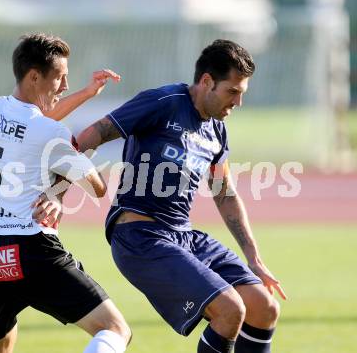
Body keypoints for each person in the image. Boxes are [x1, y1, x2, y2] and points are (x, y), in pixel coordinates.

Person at [64, 39, 286, 353]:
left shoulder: (217, 129)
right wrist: (57, 191)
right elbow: (95, 133)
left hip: (183, 234)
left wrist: (253, 256)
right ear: (207, 81)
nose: (237, 102)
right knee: (230, 309)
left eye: (242, 94)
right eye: (232, 92)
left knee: (264, 307)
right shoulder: (163, 101)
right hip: (140, 237)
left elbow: (224, 194)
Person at [0, 33, 131, 353]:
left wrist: (88, 93)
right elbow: (97, 188)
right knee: (115, 329)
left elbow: (37, 123)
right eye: (59, 77)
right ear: (34, 76)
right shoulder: (52, 134)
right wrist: (81, 150)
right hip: (32, 248)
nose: (65, 86)